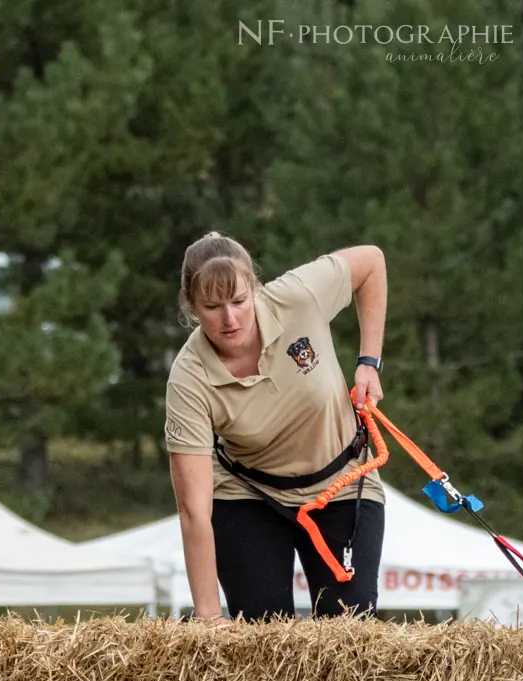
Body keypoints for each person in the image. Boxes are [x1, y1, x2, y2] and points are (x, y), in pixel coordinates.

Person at [164, 232, 390, 622]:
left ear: (255, 288)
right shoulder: (188, 377)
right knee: (263, 637)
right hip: (250, 496)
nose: (230, 318)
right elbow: (193, 510)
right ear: (191, 306)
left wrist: (369, 361)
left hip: (341, 484)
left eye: (238, 300)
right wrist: (209, 617)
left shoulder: (297, 296)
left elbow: (371, 261)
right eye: (213, 306)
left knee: (350, 636)